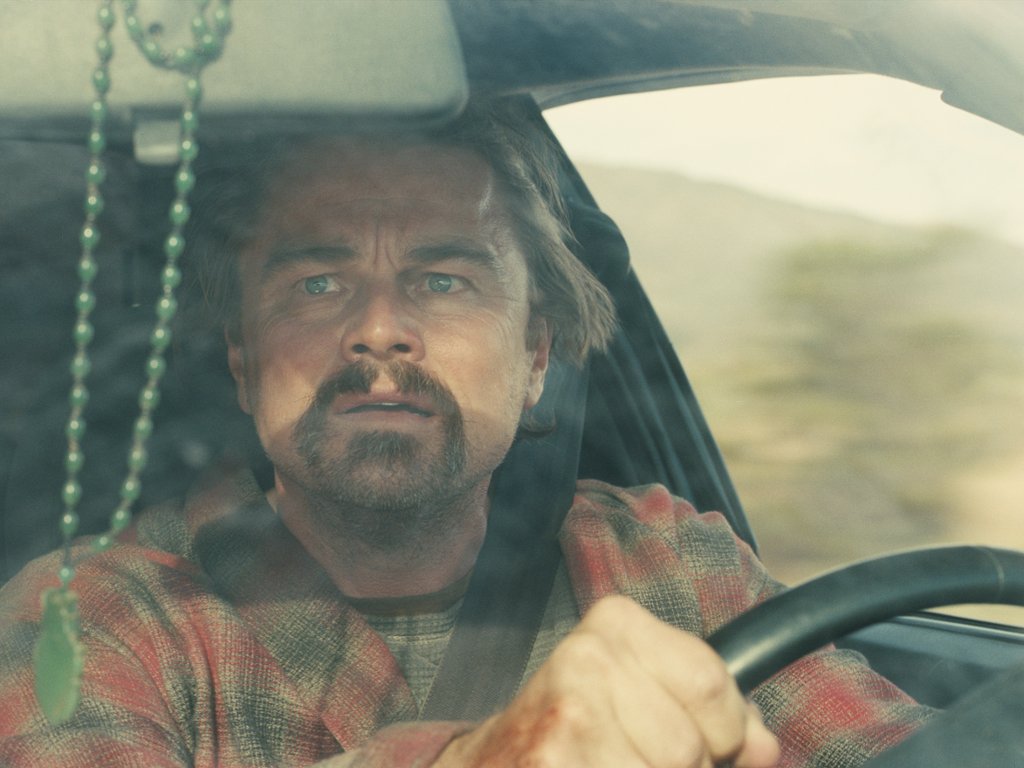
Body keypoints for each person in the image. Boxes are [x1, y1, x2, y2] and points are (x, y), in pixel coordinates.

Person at [0, 101, 930, 767]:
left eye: (444, 281)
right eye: (317, 284)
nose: (377, 330)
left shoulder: (669, 564)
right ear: (243, 363)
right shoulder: (92, 618)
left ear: (536, 355)